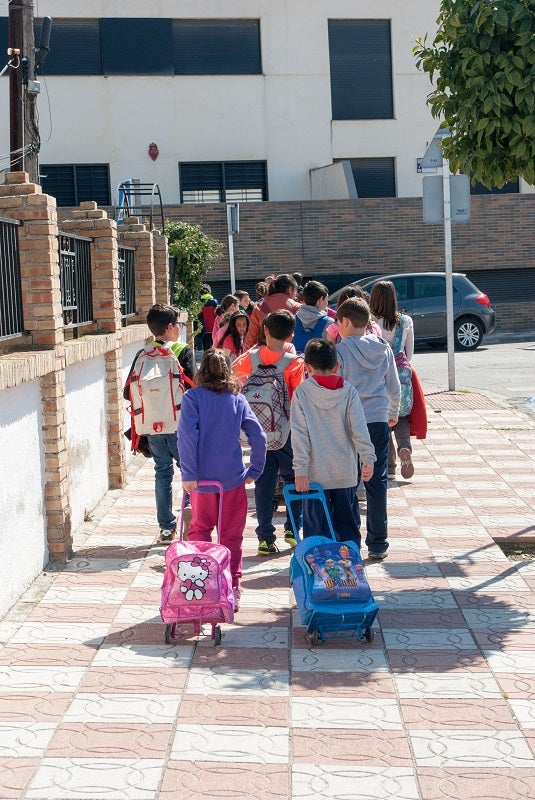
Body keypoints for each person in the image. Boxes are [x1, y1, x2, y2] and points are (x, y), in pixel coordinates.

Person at [177, 349, 267, 609]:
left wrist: (189, 473)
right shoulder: (237, 400)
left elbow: (186, 436)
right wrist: (255, 470)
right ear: (228, 371)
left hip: (201, 480)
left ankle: (200, 583)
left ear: (202, 370)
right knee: (231, 534)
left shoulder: (192, 397)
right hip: (231, 479)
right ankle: (232, 584)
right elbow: (258, 437)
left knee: (200, 530)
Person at [233, 310, 305, 555]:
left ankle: (265, 538)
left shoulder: (250, 357)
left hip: (258, 433)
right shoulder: (294, 362)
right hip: (287, 432)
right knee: (294, 479)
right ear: (291, 335)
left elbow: (231, 376)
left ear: (264, 330)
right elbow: (299, 396)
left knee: (263, 484)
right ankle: (292, 530)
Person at [291, 339, 376, 545]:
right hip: (345, 473)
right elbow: (359, 429)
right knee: (347, 527)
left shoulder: (301, 394)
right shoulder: (349, 392)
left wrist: (300, 470)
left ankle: (318, 572)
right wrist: (367, 458)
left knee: (316, 531)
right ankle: (350, 571)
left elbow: (299, 435)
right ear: (337, 366)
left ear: (307, 367)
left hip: (314, 474)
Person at [336, 297, 400, 560]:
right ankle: (378, 543)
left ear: (346, 321)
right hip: (377, 421)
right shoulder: (383, 348)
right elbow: (393, 386)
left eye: (338, 322)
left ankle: (350, 542)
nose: (337, 327)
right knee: (377, 482)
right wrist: (392, 413)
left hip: (350, 422)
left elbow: (337, 387)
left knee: (349, 482)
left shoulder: (340, 351)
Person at [141, 304, 196, 543]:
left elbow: (127, 393)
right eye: (178, 325)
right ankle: (192, 519)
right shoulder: (182, 350)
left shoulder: (142, 353)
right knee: (189, 471)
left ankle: (166, 527)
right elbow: (193, 388)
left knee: (162, 473)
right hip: (180, 424)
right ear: (170, 327)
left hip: (153, 425)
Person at [369, 280, 415, 480]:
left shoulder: (370, 322)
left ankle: (391, 465)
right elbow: (410, 353)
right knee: (401, 415)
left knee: (383, 416)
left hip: (378, 373)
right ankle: (405, 446)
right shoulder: (405, 321)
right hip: (401, 370)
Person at [244, 274, 301, 350]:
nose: (296, 295)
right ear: (290, 290)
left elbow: (251, 338)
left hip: (265, 356)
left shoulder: (259, 306)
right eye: (296, 291)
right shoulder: (298, 307)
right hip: (291, 354)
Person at [293, 280, 331, 354]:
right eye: (326, 299)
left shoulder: (292, 321)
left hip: (296, 364)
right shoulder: (329, 323)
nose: (327, 303)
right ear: (320, 300)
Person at [198, 285, 218, 351]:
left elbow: (199, 316)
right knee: (214, 348)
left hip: (204, 329)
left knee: (206, 349)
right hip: (214, 328)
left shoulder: (199, 302)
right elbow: (217, 314)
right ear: (209, 292)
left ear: (200, 293)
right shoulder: (214, 302)